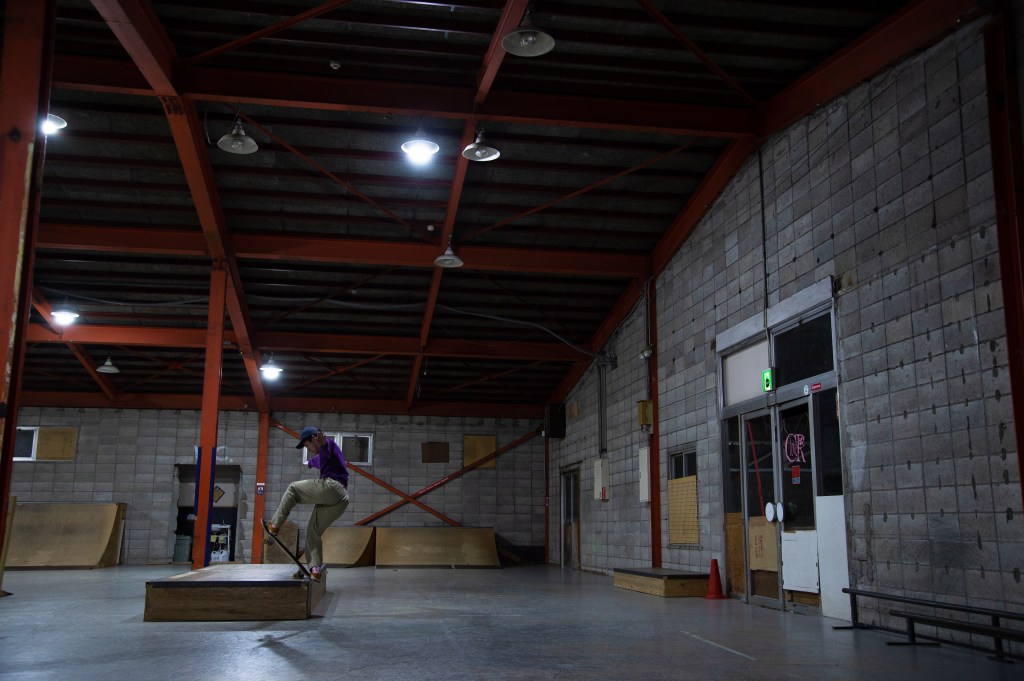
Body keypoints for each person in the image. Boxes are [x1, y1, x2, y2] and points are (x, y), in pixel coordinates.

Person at [265, 426, 350, 580]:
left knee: (293, 489)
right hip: (341, 500)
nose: (309, 449)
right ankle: (315, 568)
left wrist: (322, 444)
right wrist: (311, 462)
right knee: (313, 532)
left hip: (332, 487)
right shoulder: (326, 454)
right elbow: (322, 459)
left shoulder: (327, 444)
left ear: (313, 439)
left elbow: (325, 450)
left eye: (307, 445)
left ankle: (275, 525)